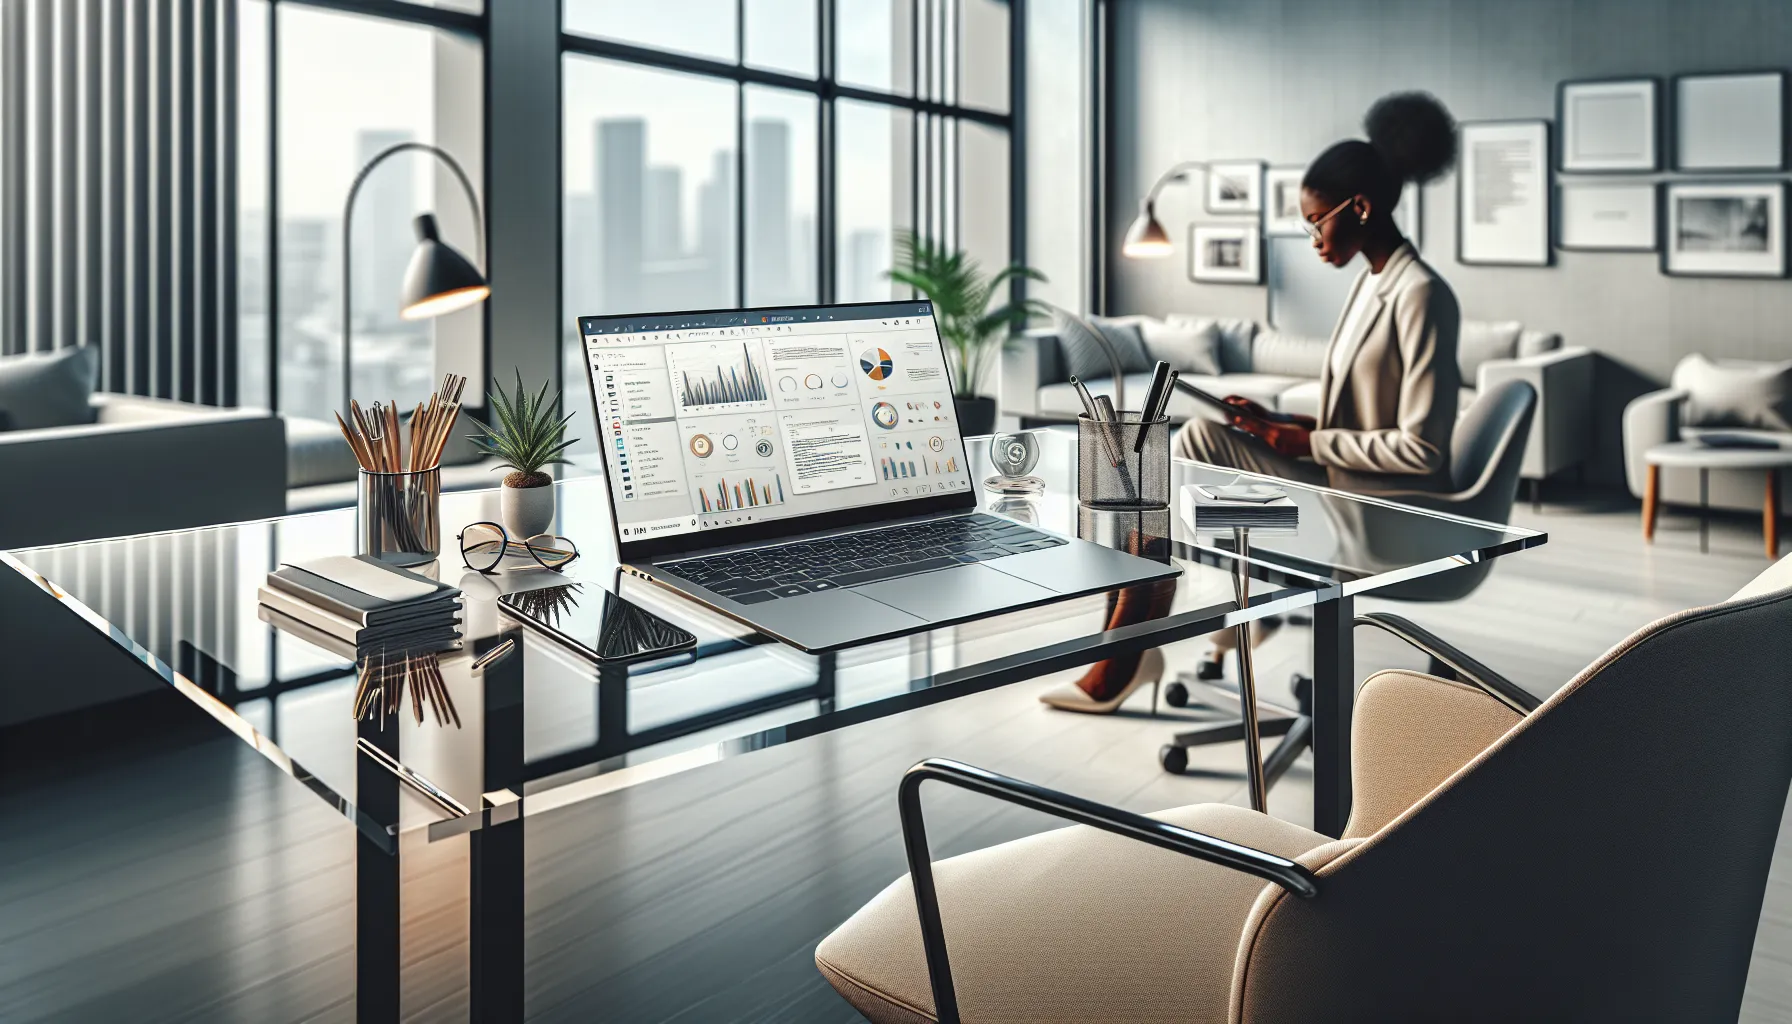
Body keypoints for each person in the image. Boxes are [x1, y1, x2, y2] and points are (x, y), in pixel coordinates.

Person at [1175, 92, 1462, 495]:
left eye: (1317, 222)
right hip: (1344, 475)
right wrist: (1277, 421)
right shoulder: (1370, 282)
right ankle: (1221, 554)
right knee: (1200, 434)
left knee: (1197, 439)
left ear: (1360, 208)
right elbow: (1357, 423)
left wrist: (1308, 443)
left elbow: (1422, 449)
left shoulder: (1421, 293)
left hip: (1384, 497)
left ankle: (1188, 556)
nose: (1314, 241)